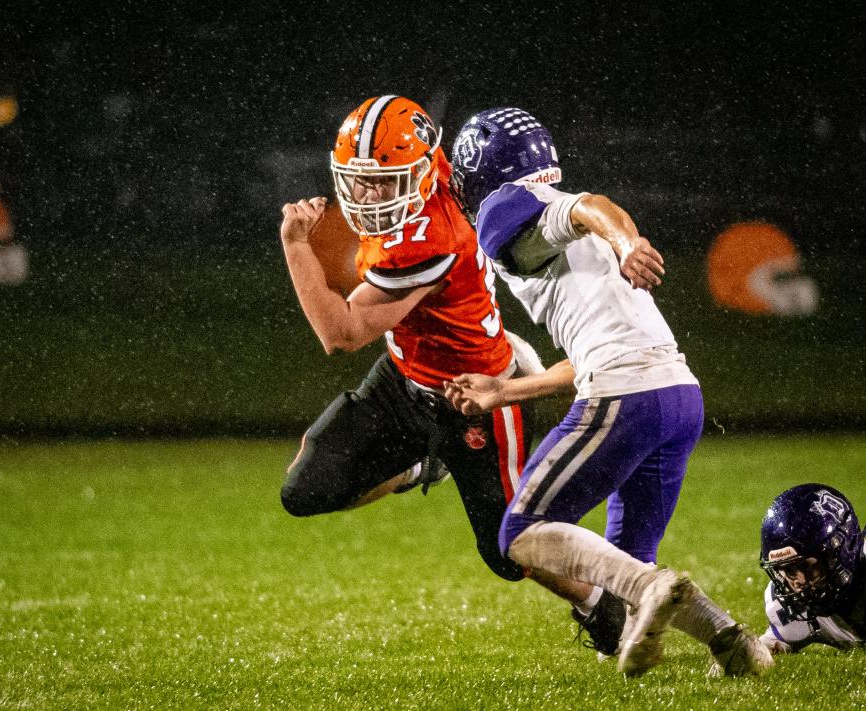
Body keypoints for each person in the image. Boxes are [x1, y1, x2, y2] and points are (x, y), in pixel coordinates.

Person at [445, 107, 773, 677]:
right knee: (621, 586)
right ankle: (734, 644)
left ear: (477, 172)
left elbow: (589, 205)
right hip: (677, 397)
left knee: (518, 535)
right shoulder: (552, 218)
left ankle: (653, 587)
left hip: (626, 397)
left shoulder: (504, 210)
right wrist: (505, 391)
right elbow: (589, 349)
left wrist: (627, 241)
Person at [279, 95, 555, 588]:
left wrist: (296, 245)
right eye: (359, 180)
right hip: (407, 377)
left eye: (384, 182)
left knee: (511, 552)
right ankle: (423, 465)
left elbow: (340, 334)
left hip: (477, 394)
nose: (367, 195)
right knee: (307, 490)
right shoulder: (431, 171)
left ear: (425, 172)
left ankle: (607, 605)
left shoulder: (430, 236)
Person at [759, 483, 865, 654]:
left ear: (840, 551)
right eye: (788, 570)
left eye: (805, 566)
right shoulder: (791, 609)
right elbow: (768, 645)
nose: (798, 582)